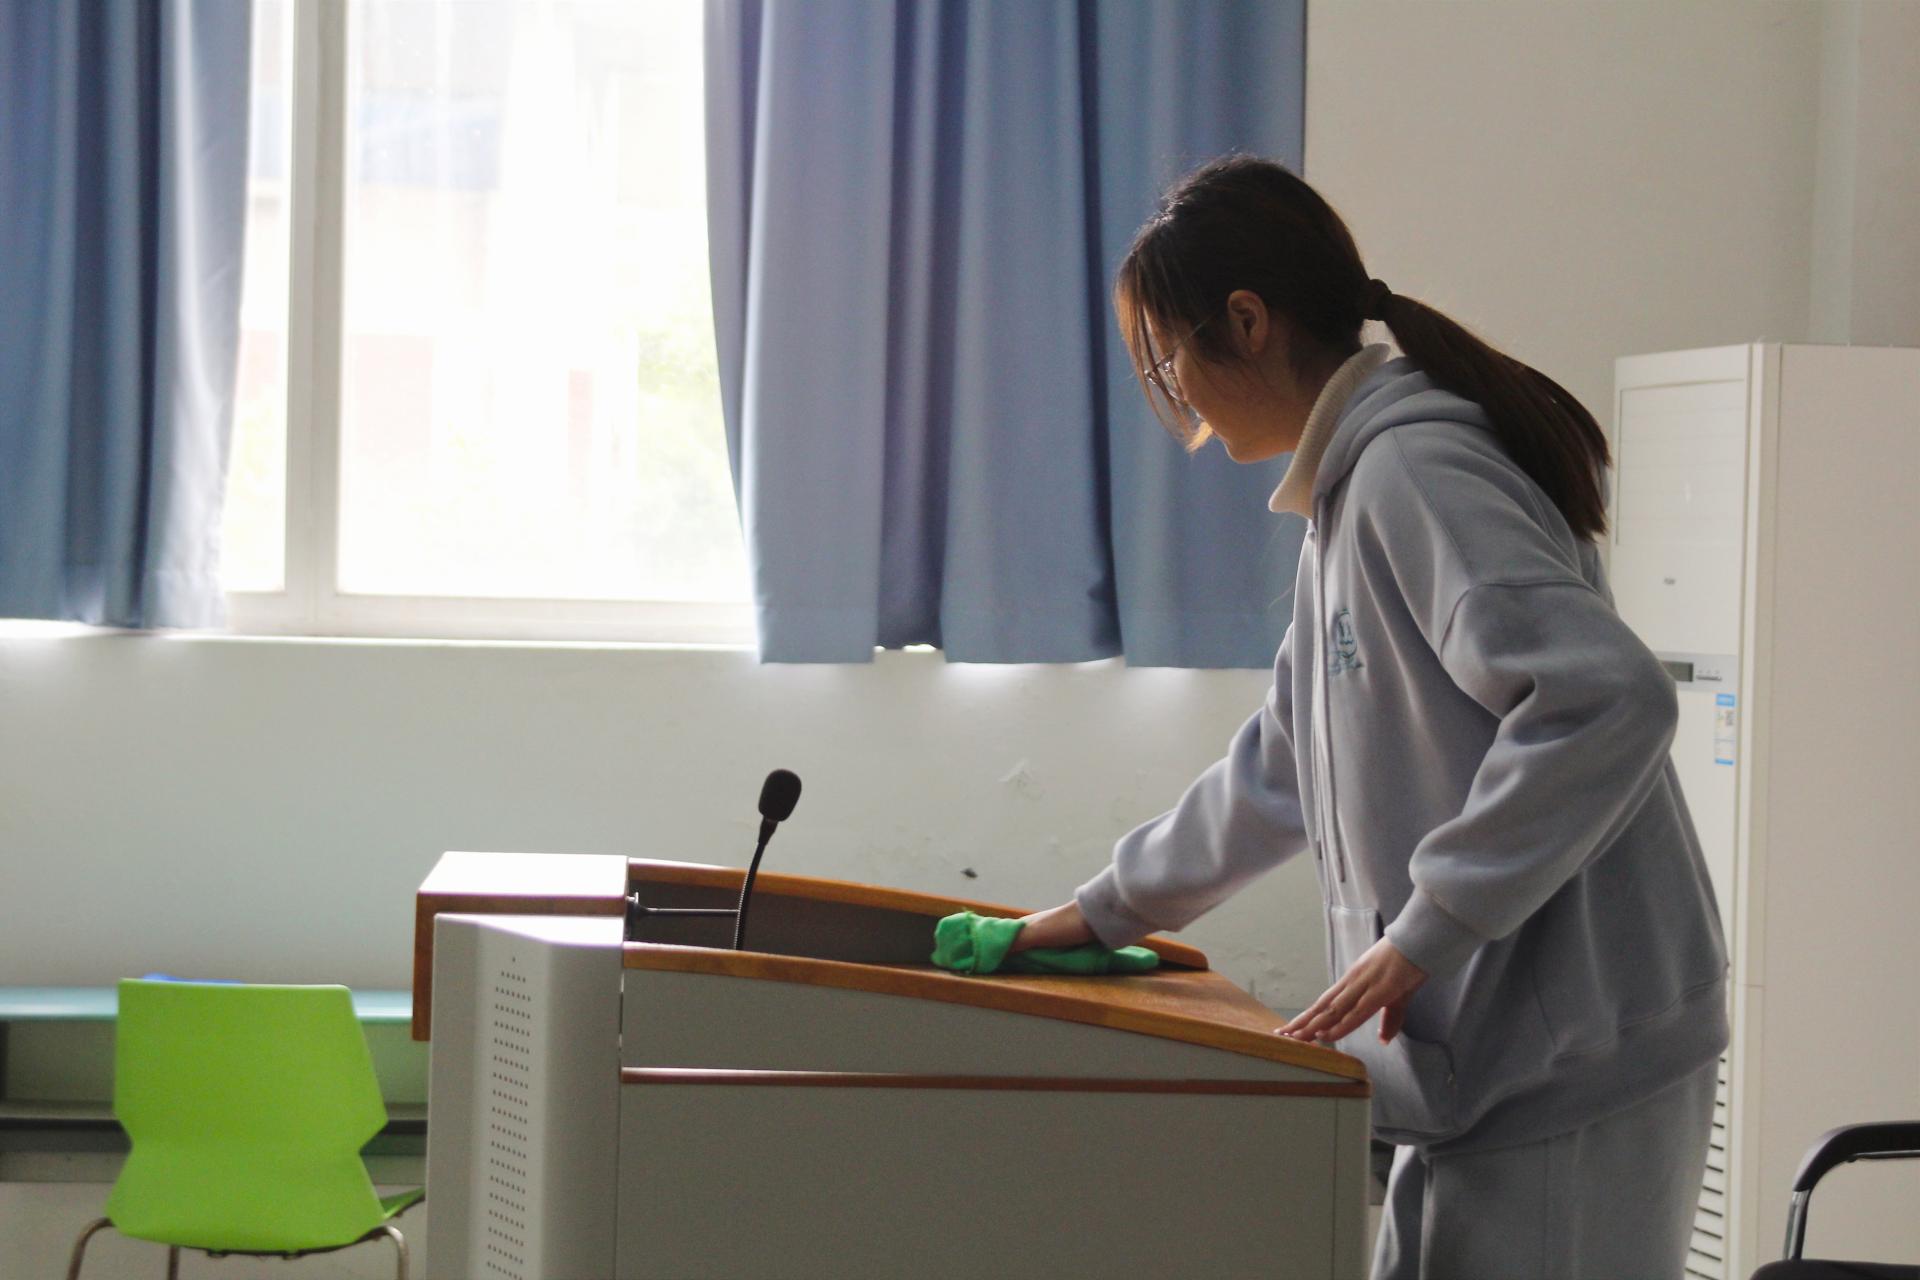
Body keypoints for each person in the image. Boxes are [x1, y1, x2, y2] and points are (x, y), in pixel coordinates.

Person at [1011, 154, 1730, 1280]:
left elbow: (1607, 697)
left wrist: (1430, 924)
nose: (1174, 394)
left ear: (1247, 321)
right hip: (1486, 1059)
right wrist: (1102, 910)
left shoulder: (1414, 469)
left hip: (1572, 1062)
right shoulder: (1345, 497)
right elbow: (1282, 765)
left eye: (1165, 356)